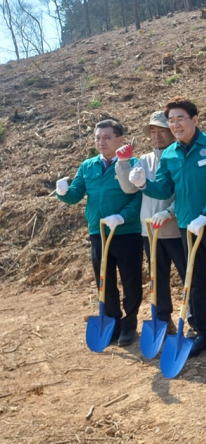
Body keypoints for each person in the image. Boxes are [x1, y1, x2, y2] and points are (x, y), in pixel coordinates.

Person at [128, 97, 206, 359]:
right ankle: (203, 333)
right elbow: (166, 189)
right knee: (195, 281)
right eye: (172, 121)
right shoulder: (169, 154)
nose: (176, 125)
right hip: (186, 226)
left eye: (181, 119)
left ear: (195, 119)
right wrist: (144, 184)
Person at [56, 119, 143, 347]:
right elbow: (75, 194)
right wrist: (63, 192)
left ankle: (130, 323)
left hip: (126, 232)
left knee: (130, 279)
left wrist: (122, 216)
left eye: (106, 137)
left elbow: (139, 197)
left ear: (120, 140)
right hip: (99, 232)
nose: (101, 142)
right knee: (104, 280)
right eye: (97, 138)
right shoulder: (88, 166)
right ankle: (112, 321)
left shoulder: (132, 164)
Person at [114, 111, 188, 336]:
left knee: (189, 276)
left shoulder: (179, 157)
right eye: (153, 132)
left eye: (161, 131)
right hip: (150, 233)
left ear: (172, 132)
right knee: (159, 279)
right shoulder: (144, 161)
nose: (157, 136)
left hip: (177, 230)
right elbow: (128, 188)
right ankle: (163, 320)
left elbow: (185, 194)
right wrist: (124, 164)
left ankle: (194, 319)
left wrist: (169, 212)